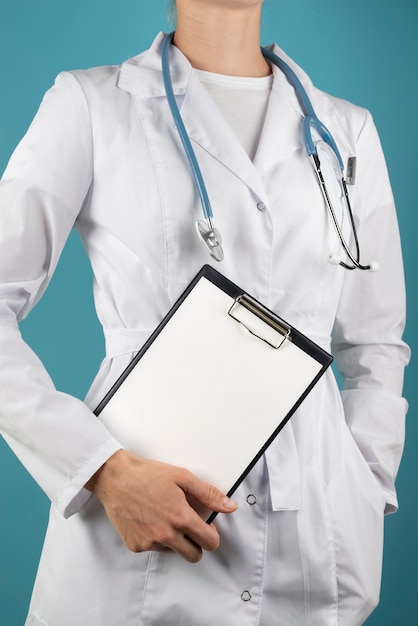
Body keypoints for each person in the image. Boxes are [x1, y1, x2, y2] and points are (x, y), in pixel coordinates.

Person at [0, 0, 410, 624]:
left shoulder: (343, 129)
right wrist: (103, 471)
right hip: (140, 507)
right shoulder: (91, 104)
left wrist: (365, 484)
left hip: (315, 532)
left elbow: (378, 341)